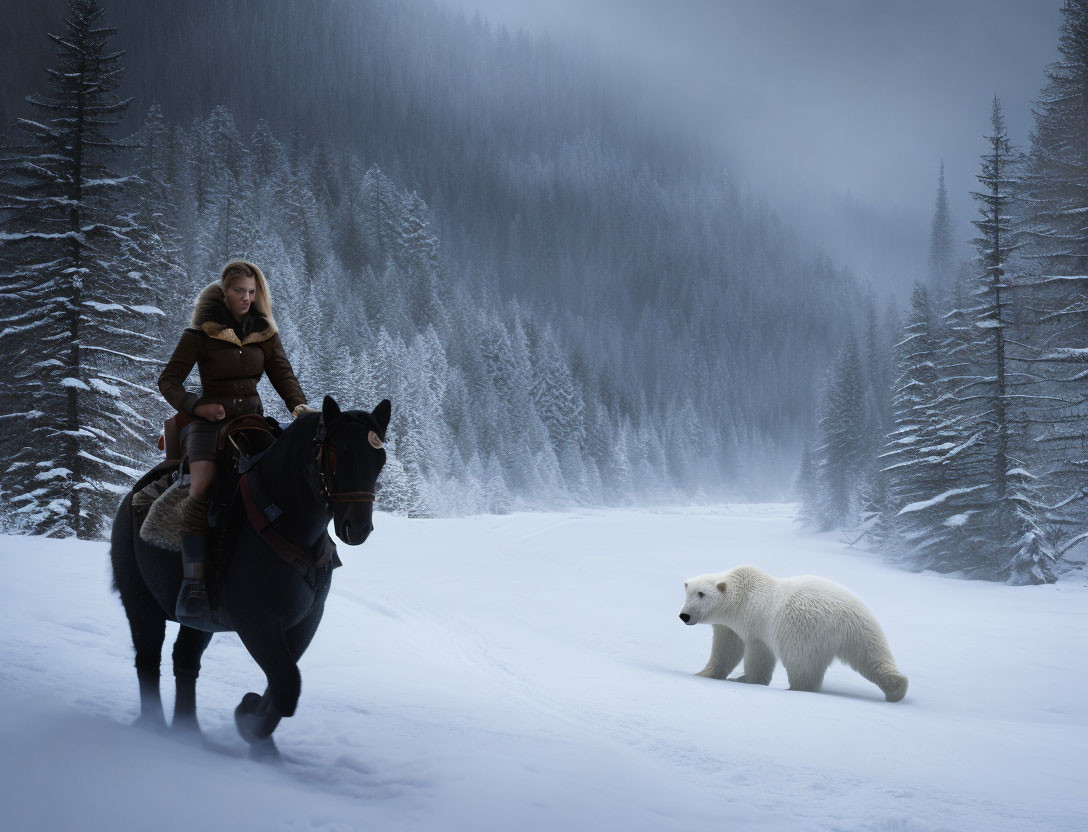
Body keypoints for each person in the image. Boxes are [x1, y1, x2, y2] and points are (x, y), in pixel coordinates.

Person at [158, 260, 315, 627]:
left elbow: (282, 373)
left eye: (251, 291)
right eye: (238, 291)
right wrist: (197, 405)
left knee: (285, 477)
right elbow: (169, 381)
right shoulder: (198, 334)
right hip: (208, 424)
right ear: (224, 292)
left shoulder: (265, 332)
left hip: (252, 423)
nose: (246, 298)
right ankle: (194, 582)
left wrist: (298, 405)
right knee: (202, 489)